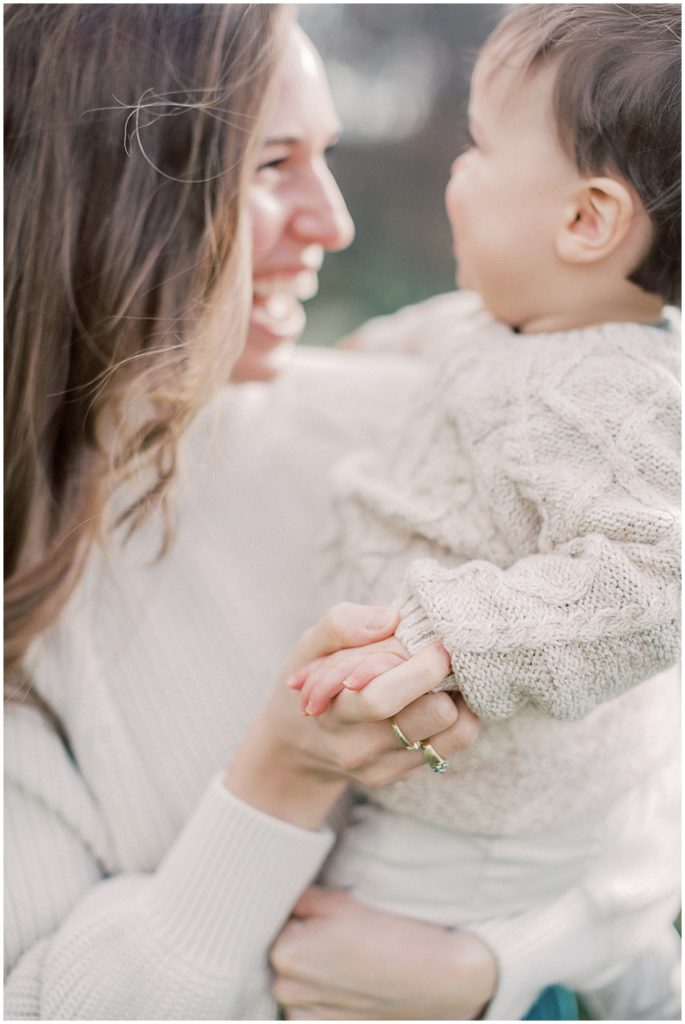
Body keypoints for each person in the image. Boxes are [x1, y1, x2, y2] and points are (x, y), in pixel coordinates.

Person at [3, 7, 490, 1020]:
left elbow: (641, 803)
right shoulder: (31, 590)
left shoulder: (399, 423)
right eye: (272, 165)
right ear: (99, 186)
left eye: (326, 155)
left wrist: (494, 968)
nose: (333, 220)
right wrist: (284, 771)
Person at [288, 4, 681, 1020]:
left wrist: (461, 639)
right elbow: (433, 343)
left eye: (476, 145)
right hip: (490, 800)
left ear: (584, 221)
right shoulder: (514, 324)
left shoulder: (607, 387)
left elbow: (652, 576)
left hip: (475, 827)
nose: (454, 168)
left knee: (331, 969)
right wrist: (321, 364)